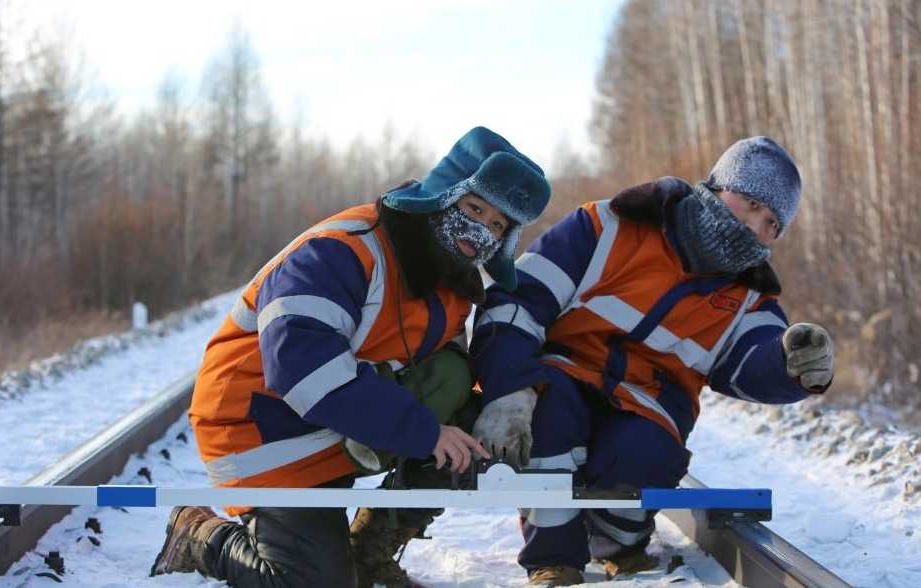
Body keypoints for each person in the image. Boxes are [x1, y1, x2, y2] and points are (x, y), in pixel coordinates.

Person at [150, 126, 551, 588]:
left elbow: (446, 374)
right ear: (443, 194)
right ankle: (200, 533)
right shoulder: (342, 250)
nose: (481, 230)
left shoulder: (451, 279)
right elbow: (299, 369)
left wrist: (507, 400)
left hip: (340, 424)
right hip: (259, 428)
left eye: (499, 224)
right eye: (474, 208)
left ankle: (369, 548)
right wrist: (422, 432)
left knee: (461, 395)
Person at [469, 137, 835, 586]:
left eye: (772, 223)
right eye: (753, 203)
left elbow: (753, 359)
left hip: (652, 403)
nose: (757, 227)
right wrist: (509, 388)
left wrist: (792, 364)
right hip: (564, 376)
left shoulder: (748, 298)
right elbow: (517, 301)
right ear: (718, 187)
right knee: (549, 416)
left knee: (645, 455)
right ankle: (553, 559)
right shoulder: (606, 227)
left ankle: (619, 542)